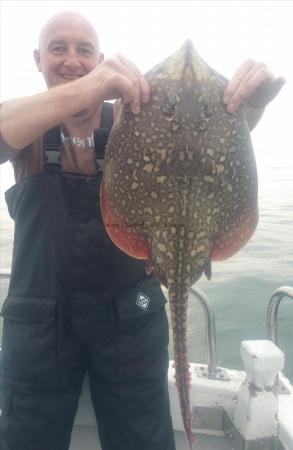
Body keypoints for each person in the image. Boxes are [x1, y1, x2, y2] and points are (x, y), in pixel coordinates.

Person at [0, 10, 285, 450]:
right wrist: (89, 89)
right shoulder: (27, 125)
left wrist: (255, 99)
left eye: (84, 50)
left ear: (100, 59)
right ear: (38, 58)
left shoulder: (133, 113)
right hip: (40, 328)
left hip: (129, 324)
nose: (72, 59)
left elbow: (218, 135)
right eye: (58, 48)